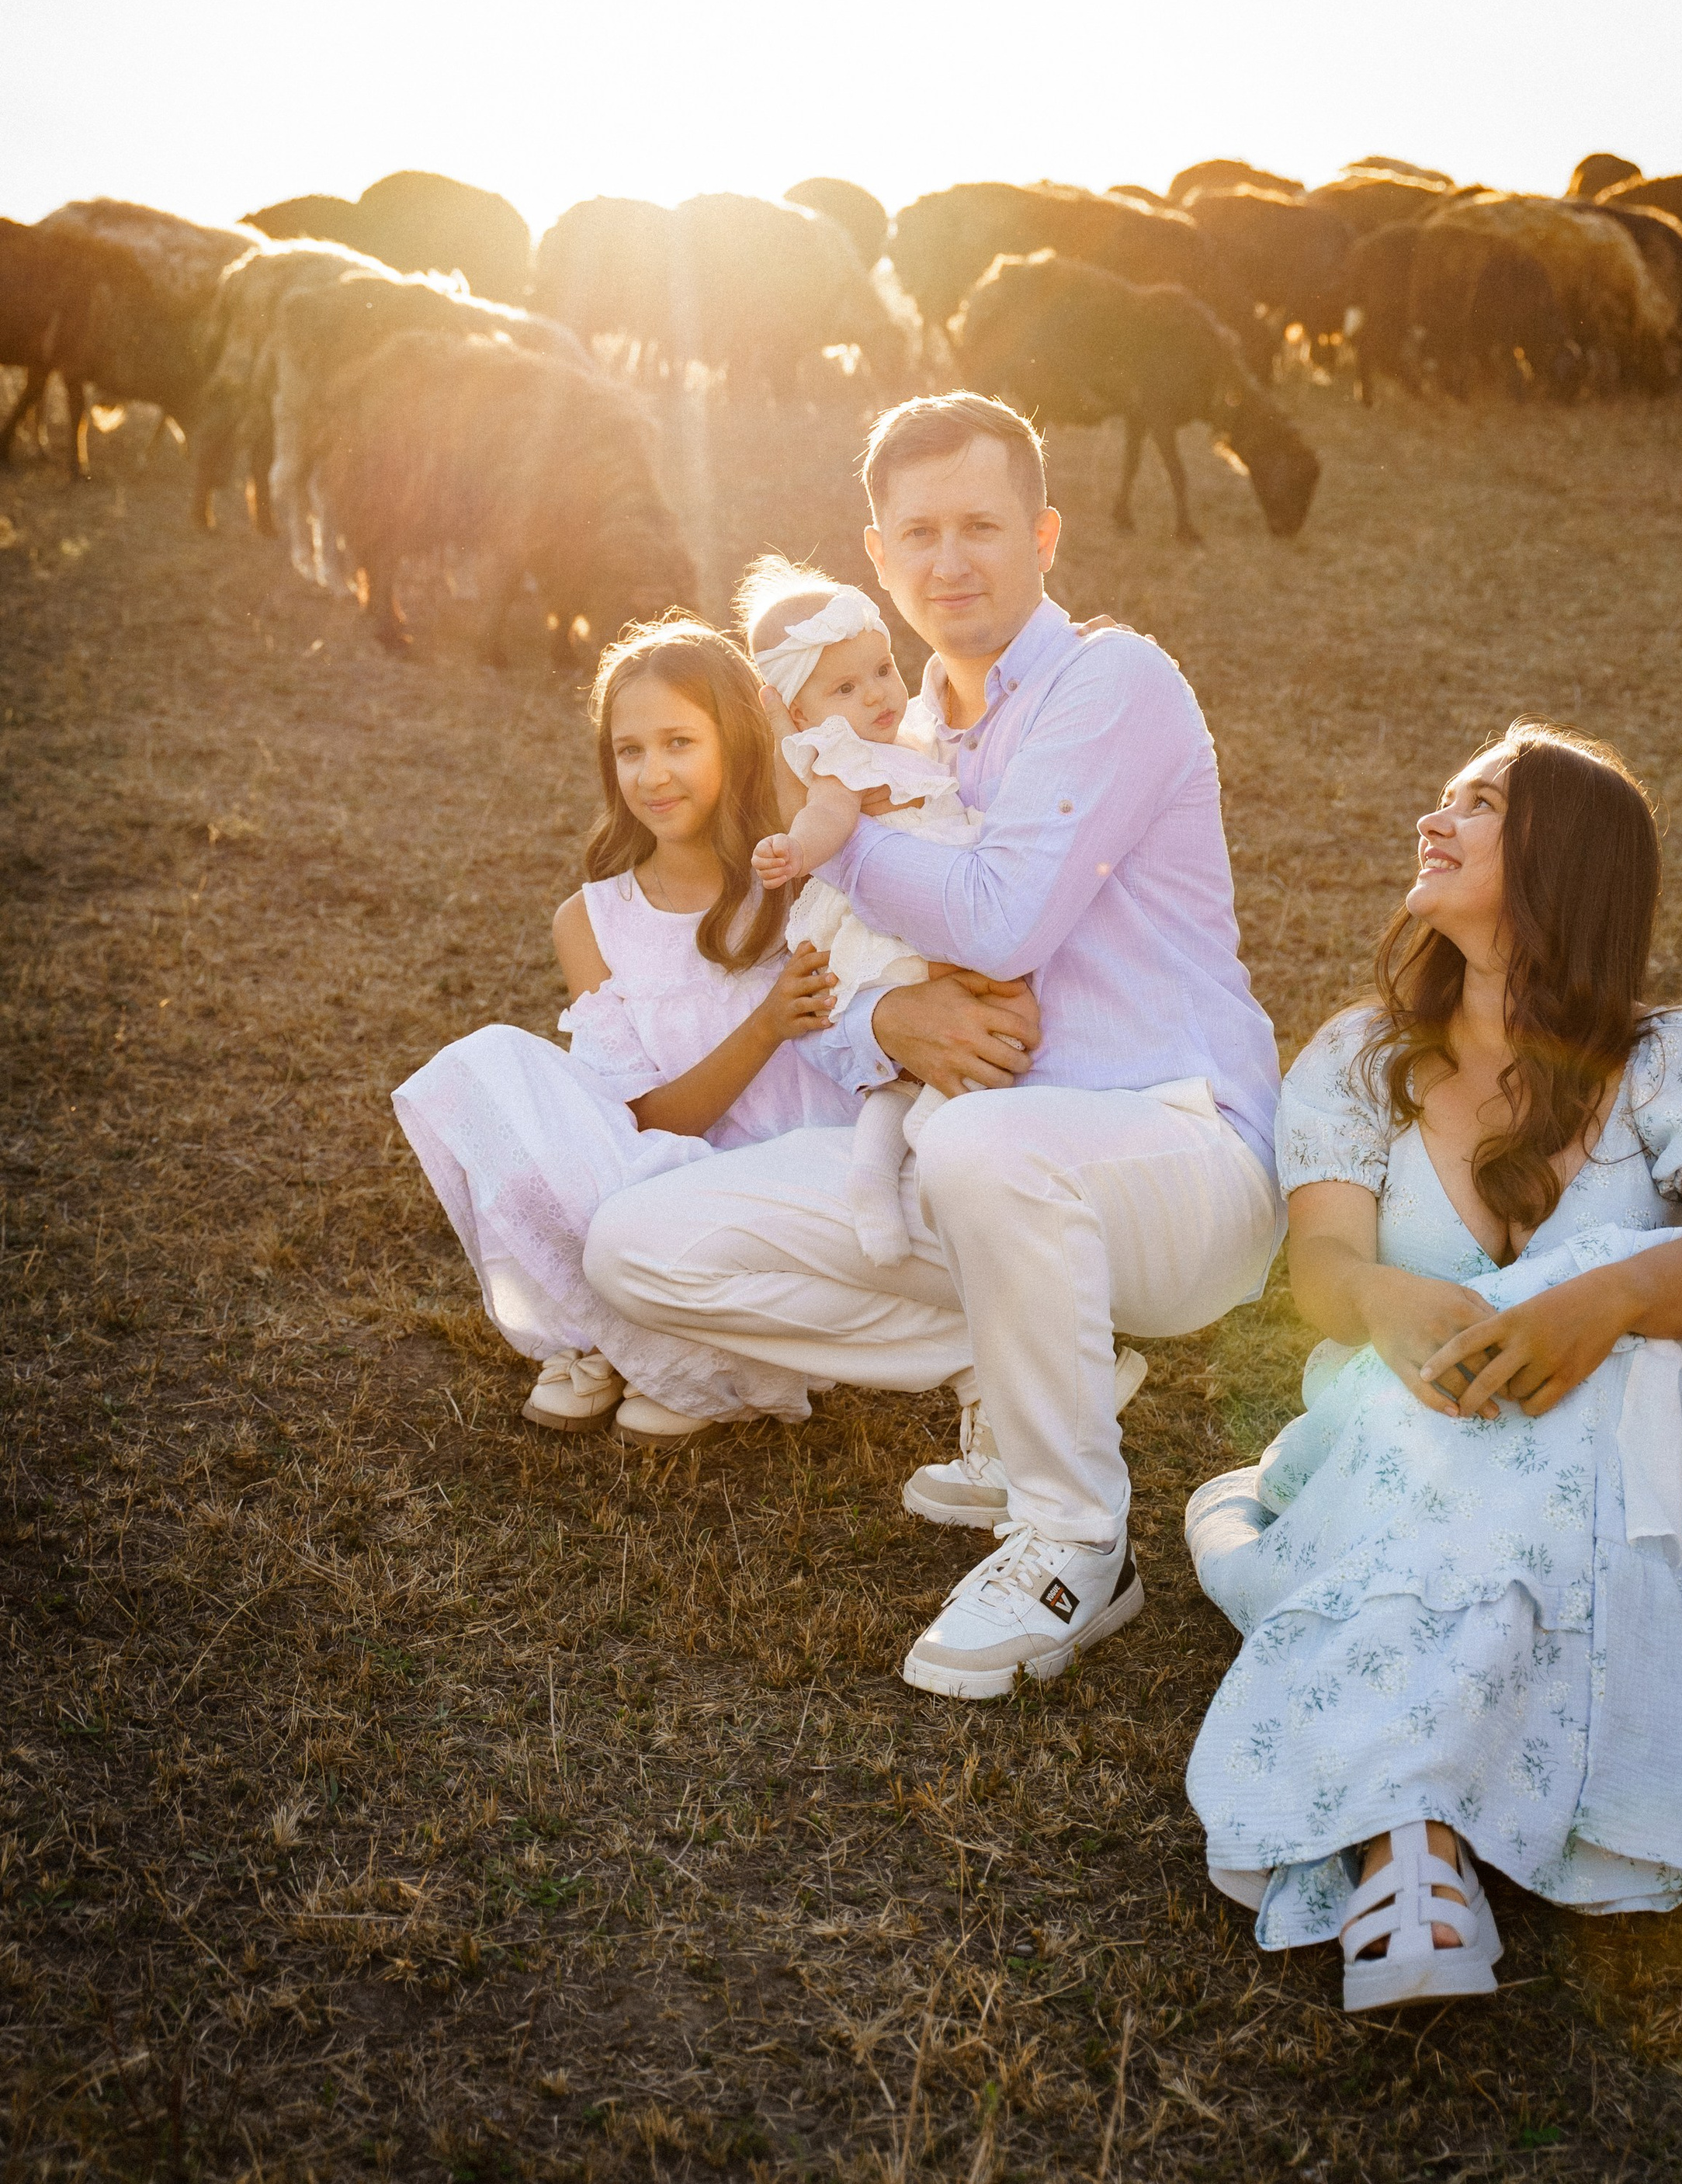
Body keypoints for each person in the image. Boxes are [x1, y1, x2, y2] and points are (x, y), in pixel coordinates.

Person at [581, 392, 1282, 1698]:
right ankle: (1023, 1376)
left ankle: (1074, 1538)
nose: (950, 561)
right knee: (639, 1247)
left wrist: (831, 827)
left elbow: (1005, 920)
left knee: (980, 1140)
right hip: (984, 1159)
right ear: (879, 559)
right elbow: (830, 987)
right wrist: (886, 1015)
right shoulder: (887, 743)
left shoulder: (1110, 682)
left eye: (982, 526)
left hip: (1180, 1156)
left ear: (1046, 535)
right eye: (920, 534)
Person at [1183, 724, 1682, 2012]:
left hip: (1636, 1465)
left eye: (1479, 803)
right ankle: (1421, 1852)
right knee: (1459, 1409)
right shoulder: (1360, 1060)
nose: (1435, 816)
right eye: (1443, 793)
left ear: (1566, 858)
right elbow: (1324, 1275)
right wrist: (1392, 1301)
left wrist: (1609, 1299)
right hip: (1419, 1435)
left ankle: (1410, 1831)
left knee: (1598, 1356)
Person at [393, 620, 858, 1446]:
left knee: (693, 1228)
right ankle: (603, 1336)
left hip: (781, 1192)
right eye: (629, 749)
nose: (653, 773)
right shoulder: (591, 920)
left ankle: (691, 1357)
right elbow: (640, 1124)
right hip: (655, 1177)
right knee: (487, 1063)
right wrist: (764, 1023)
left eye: (680, 741)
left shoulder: (794, 883)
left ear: (736, 745)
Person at [740, 555, 981, 1270]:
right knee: (957, 1037)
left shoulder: (907, 737)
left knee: (931, 1066)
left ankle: (891, 1163)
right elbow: (826, 815)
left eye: (881, 669)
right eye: (846, 686)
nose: (877, 693)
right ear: (803, 714)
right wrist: (794, 848)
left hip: (941, 906)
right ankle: (883, 1169)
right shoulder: (839, 758)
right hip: (893, 931)